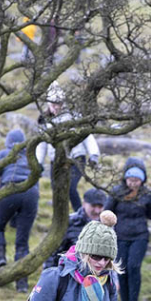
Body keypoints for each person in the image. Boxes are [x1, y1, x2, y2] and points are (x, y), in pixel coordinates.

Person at [105, 159, 151, 301]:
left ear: (142, 180)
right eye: (130, 180)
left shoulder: (146, 194)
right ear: (125, 179)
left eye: (136, 181)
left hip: (140, 236)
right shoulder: (116, 192)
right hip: (120, 236)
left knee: (134, 266)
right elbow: (107, 211)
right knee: (121, 268)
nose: (133, 184)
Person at [0, 129, 39, 293]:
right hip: (31, 193)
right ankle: (22, 284)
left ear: (8, 142)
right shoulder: (30, 155)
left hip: (10, 190)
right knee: (22, 242)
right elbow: (40, 171)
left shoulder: (5, 153)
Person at [36, 82, 100, 212]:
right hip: (56, 161)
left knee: (70, 187)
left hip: (76, 158)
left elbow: (87, 136)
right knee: (57, 190)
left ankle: (78, 213)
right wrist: (38, 163)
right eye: (53, 104)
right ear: (48, 104)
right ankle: (60, 218)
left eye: (58, 103)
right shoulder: (44, 121)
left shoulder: (74, 116)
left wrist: (93, 155)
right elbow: (41, 144)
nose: (56, 107)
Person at [43, 188, 106, 269]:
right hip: (69, 274)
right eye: (93, 206)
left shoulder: (107, 225)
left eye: (100, 207)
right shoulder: (69, 222)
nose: (97, 211)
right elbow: (52, 253)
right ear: (84, 204)